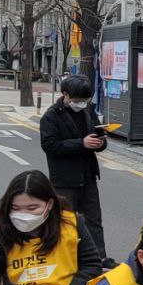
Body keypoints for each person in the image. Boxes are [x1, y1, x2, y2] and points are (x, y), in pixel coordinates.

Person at [39, 74, 111, 265]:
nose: (81, 103)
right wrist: (82, 143)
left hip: (88, 176)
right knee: (65, 222)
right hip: (64, 180)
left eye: (85, 100)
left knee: (94, 220)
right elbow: (50, 146)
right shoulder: (51, 116)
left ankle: (99, 258)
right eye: (78, 100)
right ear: (66, 94)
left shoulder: (88, 110)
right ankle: (65, 260)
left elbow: (97, 136)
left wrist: (100, 142)